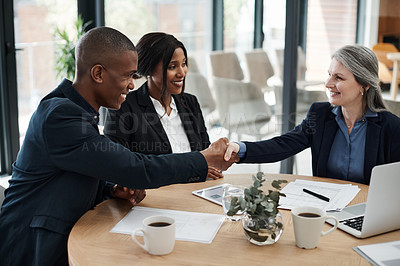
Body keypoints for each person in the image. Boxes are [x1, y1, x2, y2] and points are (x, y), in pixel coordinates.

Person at [0, 27, 235, 266]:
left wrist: (111, 188)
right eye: (128, 75)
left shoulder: (78, 112)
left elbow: (75, 171)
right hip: (32, 245)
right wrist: (203, 158)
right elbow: (135, 167)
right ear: (98, 73)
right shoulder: (60, 116)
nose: (132, 85)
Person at [224, 44, 400, 185]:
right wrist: (241, 149)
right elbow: (283, 145)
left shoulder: (391, 128)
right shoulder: (320, 114)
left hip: (365, 214)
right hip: (325, 210)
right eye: (329, 75)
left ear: (364, 85)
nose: (328, 83)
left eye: (339, 78)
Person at [104, 32, 223, 180]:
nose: (182, 73)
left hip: (196, 189)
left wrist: (218, 156)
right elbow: (119, 165)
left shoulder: (190, 103)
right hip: (153, 194)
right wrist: (190, 169)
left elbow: (206, 156)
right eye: (172, 66)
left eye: (184, 64)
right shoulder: (123, 107)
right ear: (149, 69)